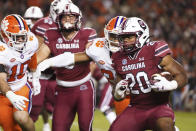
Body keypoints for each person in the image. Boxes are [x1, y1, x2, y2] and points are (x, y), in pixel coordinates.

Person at [37, 16, 130, 118]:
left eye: (120, 37)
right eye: (113, 36)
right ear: (106, 34)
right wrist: (50, 62)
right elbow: (74, 57)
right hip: (124, 95)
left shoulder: (141, 51)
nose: (116, 41)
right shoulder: (98, 48)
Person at [109, 17, 187, 131]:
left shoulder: (154, 50)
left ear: (142, 35)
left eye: (129, 36)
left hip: (159, 106)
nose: (125, 40)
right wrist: (117, 93)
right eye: (122, 37)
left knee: (164, 126)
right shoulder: (118, 57)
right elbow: (119, 89)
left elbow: (182, 76)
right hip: (136, 107)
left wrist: (170, 85)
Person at [35, 1, 97, 131]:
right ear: (58, 19)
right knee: (58, 128)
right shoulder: (51, 34)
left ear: (78, 19)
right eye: (64, 17)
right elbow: (38, 58)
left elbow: (89, 55)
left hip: (83, 87)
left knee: (85, 127)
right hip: (62, 89)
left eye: (71, 16)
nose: (68, 19)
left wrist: (55, 60)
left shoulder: (87, 33)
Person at [0, 14, 38, 131]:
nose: (22, 40)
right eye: (17, 37)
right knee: (10, 128)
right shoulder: (2, 51)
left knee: (21, 117)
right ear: (5, 36)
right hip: (2, 93)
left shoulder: (31, 41)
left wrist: (35, 75)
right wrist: (10, 95)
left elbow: (31, 55)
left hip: (21, 87)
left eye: (23, 36)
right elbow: (1, 79)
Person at [24, 6, 54, 131]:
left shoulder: (47, 31)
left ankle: (46, 123)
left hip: (49, 72)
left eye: (36, 18)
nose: (33, 20)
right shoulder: (21, 32)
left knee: (46, 104)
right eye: (30, 18)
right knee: (34, 104)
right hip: (28, 72)